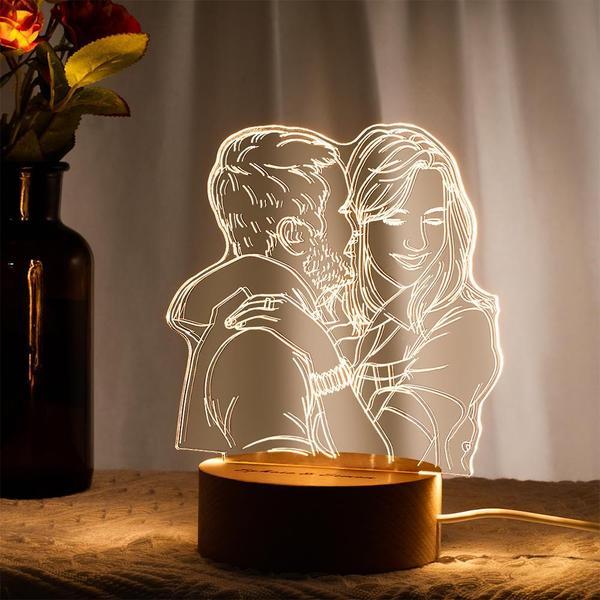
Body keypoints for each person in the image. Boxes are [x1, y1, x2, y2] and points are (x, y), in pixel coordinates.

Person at [166, 126, 363, 457]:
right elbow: (287, 479)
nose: (357, 233)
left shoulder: (273, 323)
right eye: (346, 215)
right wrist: (328, 364)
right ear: (295, 234)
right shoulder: (261, 345)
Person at [341, 124, 502, 474]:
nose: (417, 241)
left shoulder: (464, 323)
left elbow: (401, 442)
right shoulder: (360, 318)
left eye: (434, 219)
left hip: (419, 498)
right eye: (396, 218)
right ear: (359, 222)